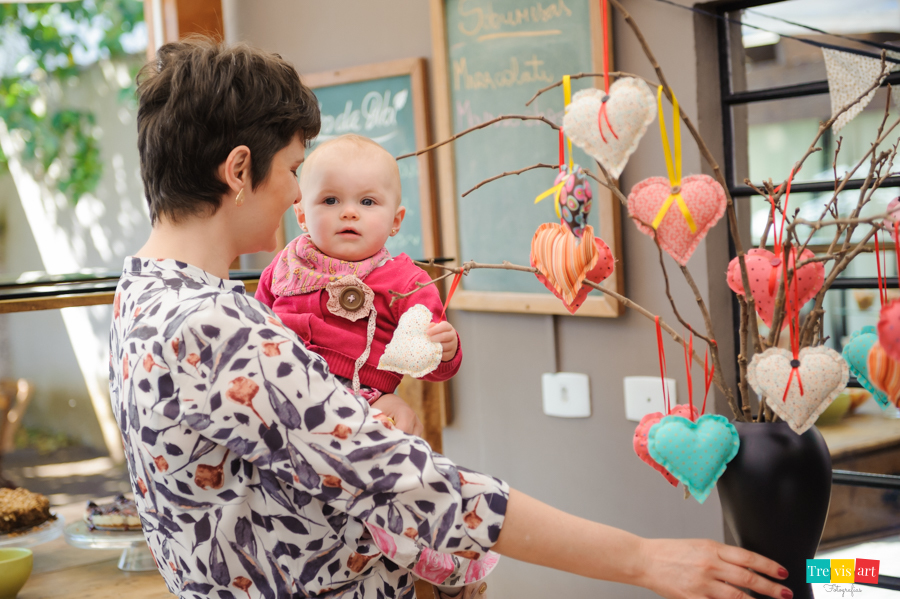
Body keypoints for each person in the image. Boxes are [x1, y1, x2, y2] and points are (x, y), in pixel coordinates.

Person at [110, 37, 794, 599]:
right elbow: (415, 484)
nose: (296, 192)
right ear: (237, 170)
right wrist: (645, 560)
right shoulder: (214, 327)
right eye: (292, 168)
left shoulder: (141, 294)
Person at [255, 134, 460, 438]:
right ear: (301, 215)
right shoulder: (285, 266)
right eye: (330, 200)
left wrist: (445, 351)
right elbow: (256, 324)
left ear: (395, 220)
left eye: (367, 202)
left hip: (362, 401)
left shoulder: (405, 281)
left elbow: (429, 366)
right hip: (280, 389)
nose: (349, 212)